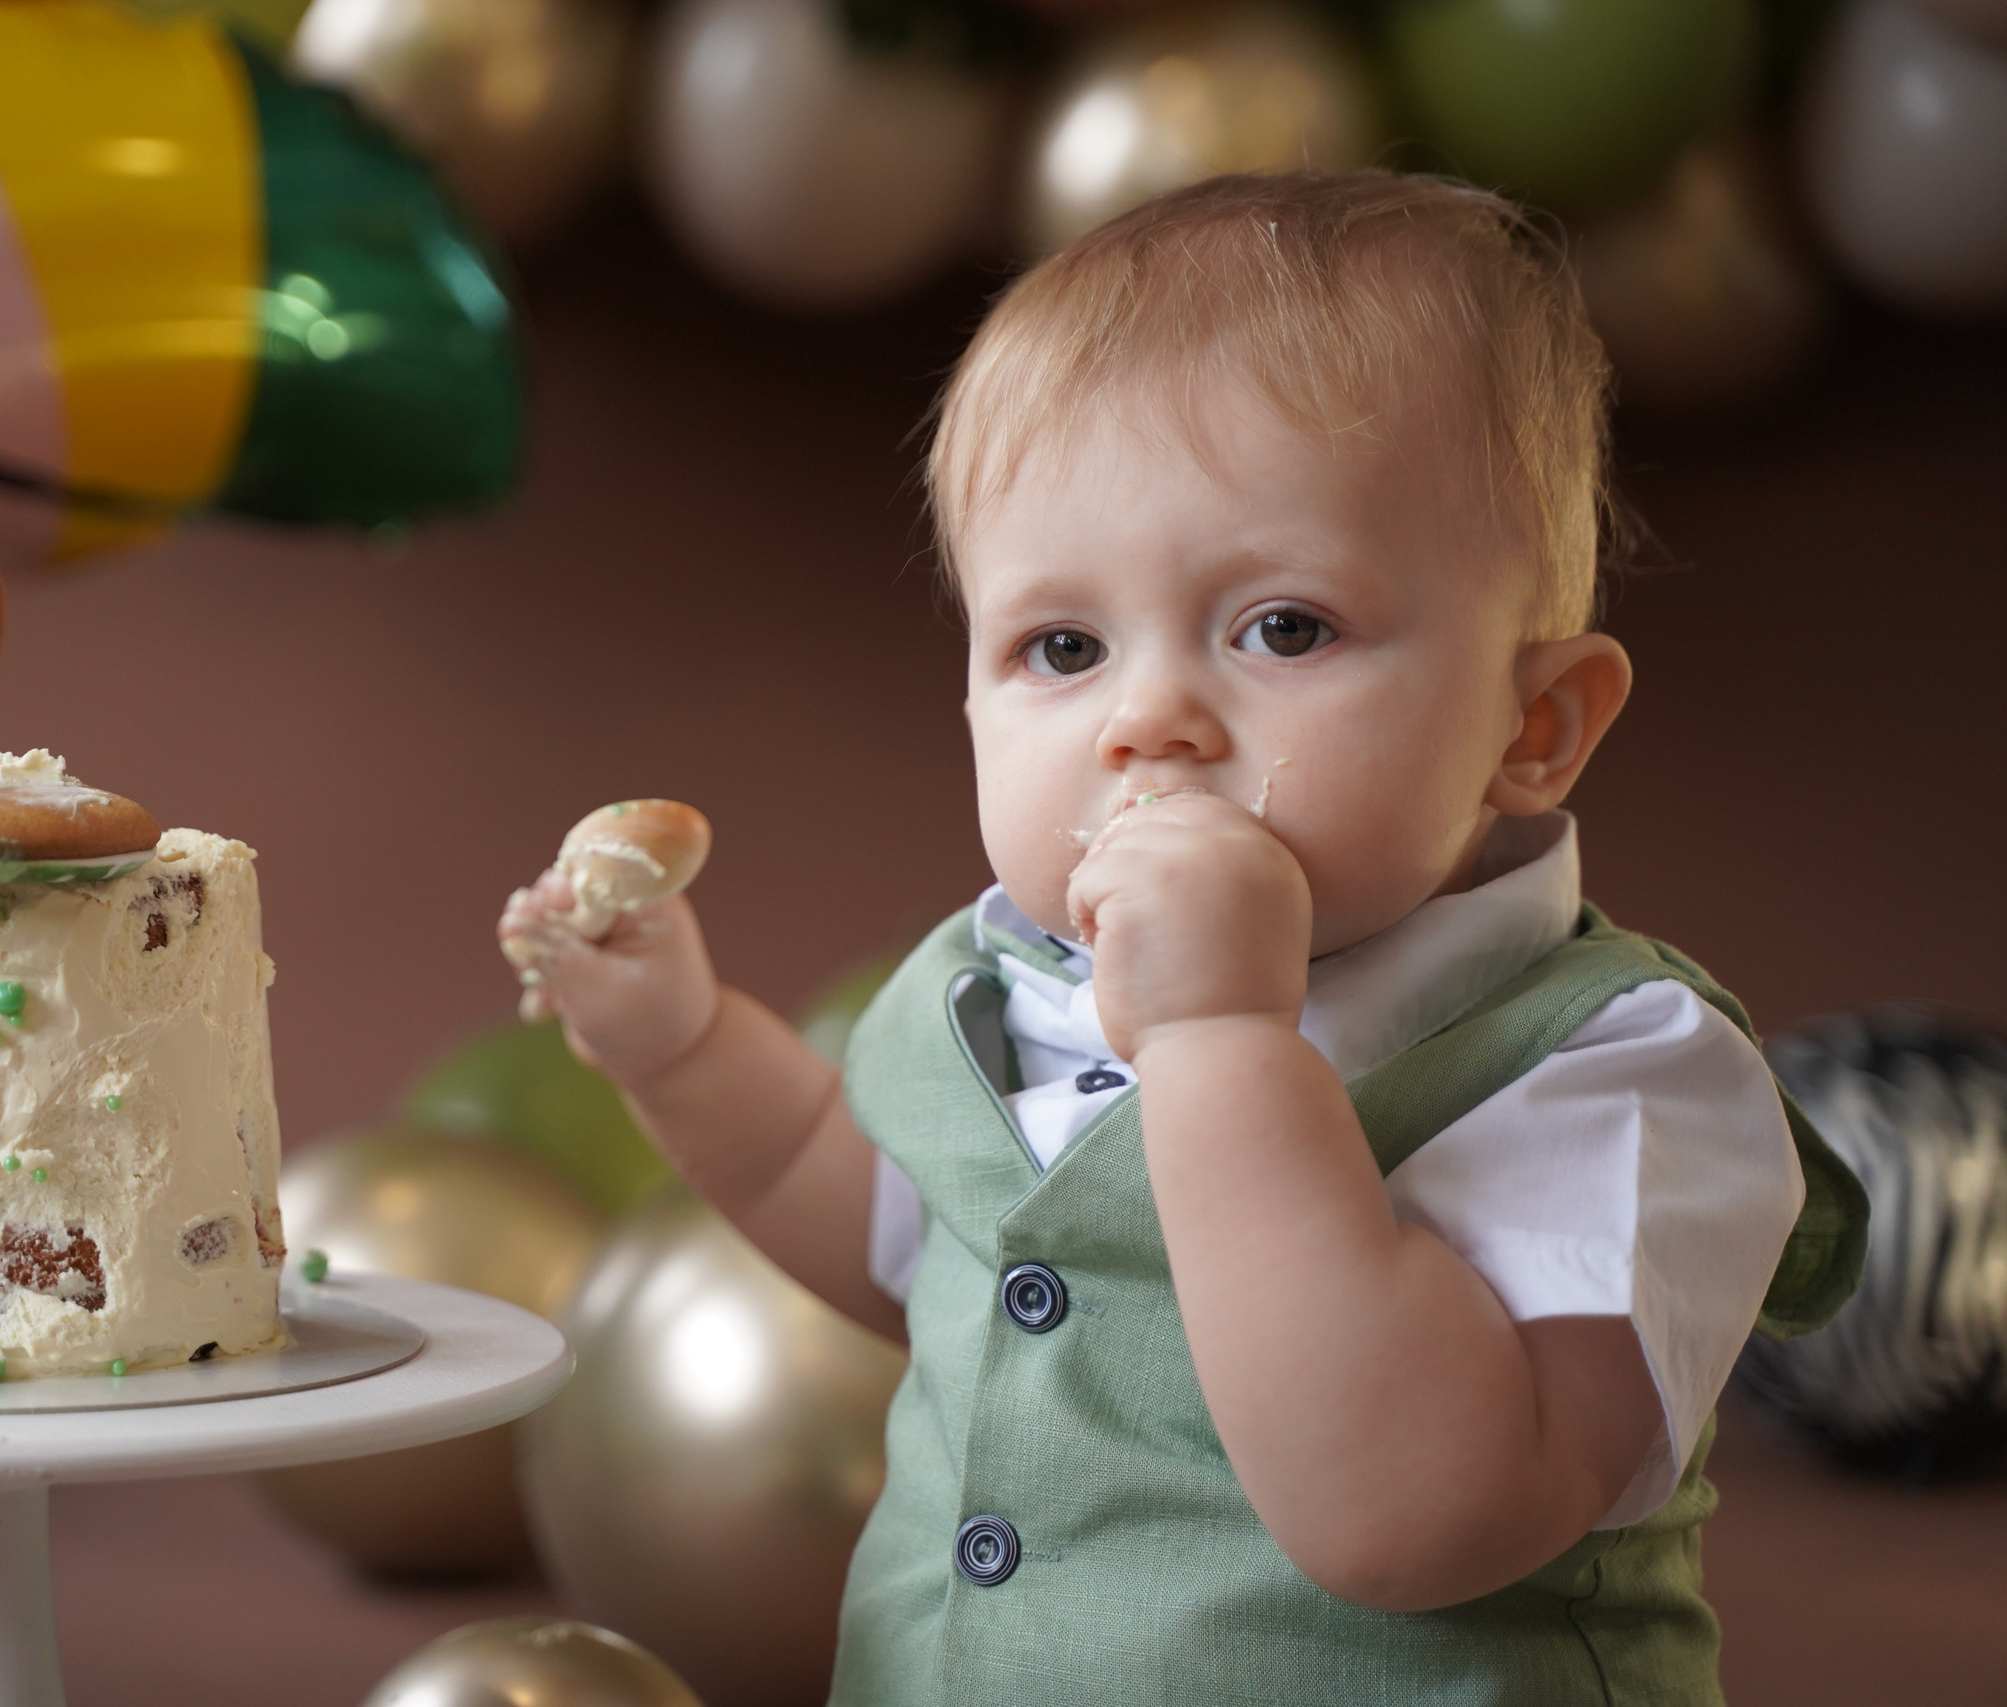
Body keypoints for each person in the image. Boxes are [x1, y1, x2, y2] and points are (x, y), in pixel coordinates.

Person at [499, 170, 1865, 1704]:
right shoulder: (994, 993)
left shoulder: (1614, 1075)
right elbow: (895, 1236)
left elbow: (1408, 1516)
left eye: (1282, 626)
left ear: (1531, 725)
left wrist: (1225, 1040)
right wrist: (680, 1051)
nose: (1148, 720)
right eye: (1062, 648)